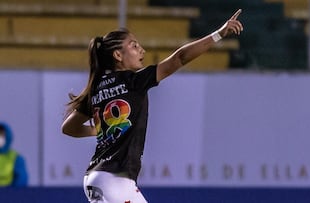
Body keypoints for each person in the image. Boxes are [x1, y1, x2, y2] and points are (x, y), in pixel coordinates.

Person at [61, 8, 243, 203]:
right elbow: (179, 58)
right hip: (116, 179)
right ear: (118, 55)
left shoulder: (96, 89)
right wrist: (218, 34)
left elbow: (68, 127)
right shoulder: (134, 81)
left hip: (95, 177)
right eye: (134, 46)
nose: (142, 50)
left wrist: (96, 130)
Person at [0, 122, 28, 187]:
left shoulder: (16, 158)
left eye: (2, 135)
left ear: (7, 136)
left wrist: (12, 193)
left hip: (9, 193)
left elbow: (21, 179)